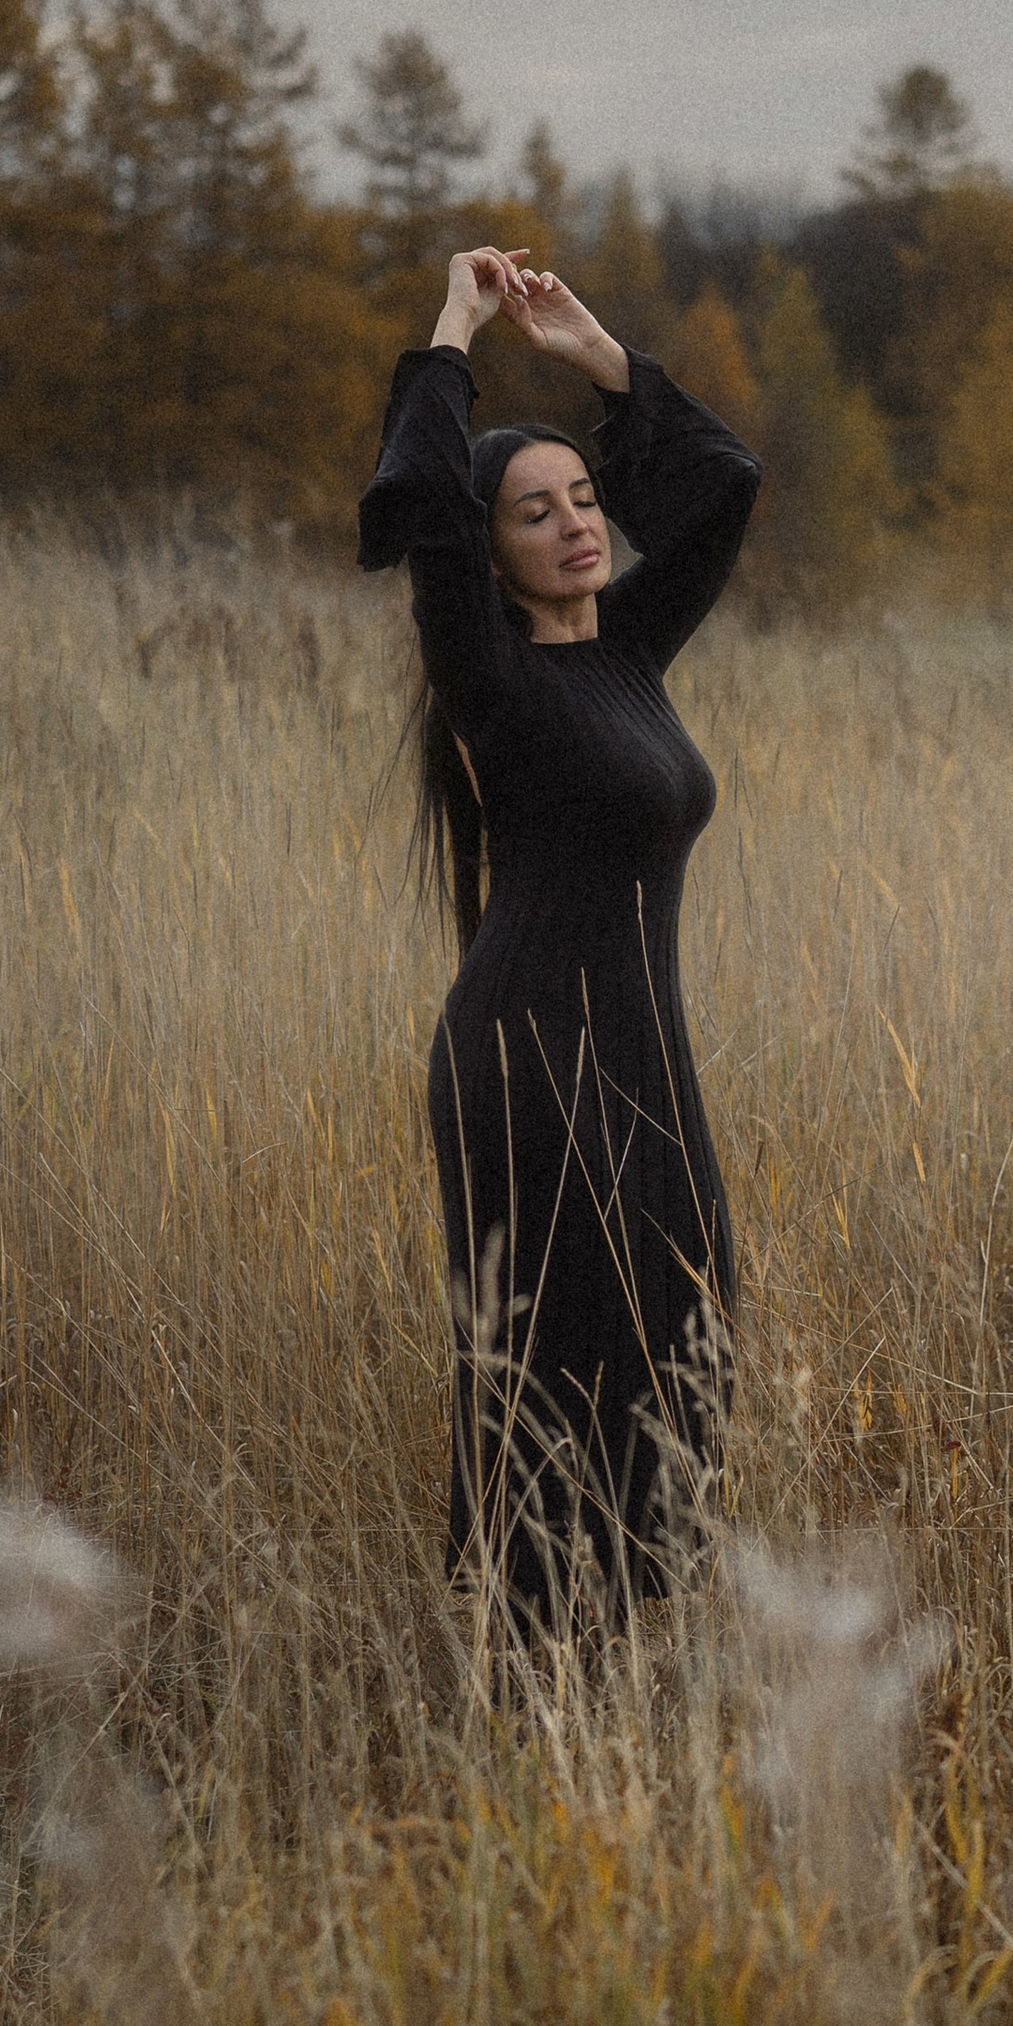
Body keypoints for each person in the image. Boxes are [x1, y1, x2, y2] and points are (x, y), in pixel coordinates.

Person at [358, 250, 760, 1644]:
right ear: (495, 552)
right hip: (531, 1058)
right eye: (536, 513)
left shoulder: (629, 650)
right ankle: (539, 1681)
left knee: (681, 1335)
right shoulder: (496, 678)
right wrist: (456, 334)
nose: (579, 525)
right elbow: (417, 510)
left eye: (585, 498)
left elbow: (726, 490)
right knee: (556, 1372)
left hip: (644, 1054)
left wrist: (594, 353)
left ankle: (608, 1658)